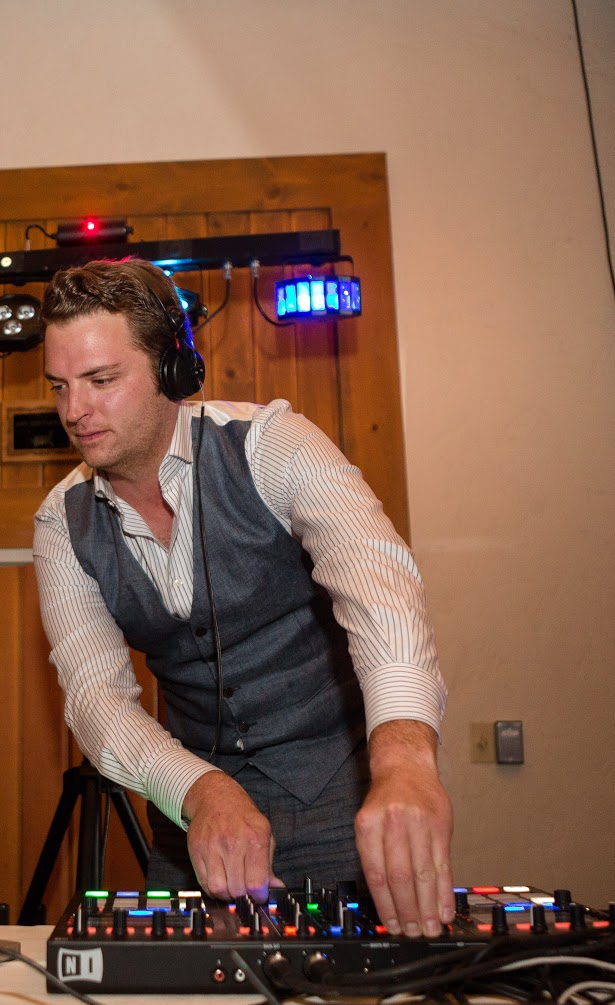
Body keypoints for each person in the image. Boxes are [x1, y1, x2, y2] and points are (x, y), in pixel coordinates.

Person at [32, 258, 455, 937]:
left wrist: (404, 761)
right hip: (196, 819)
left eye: (101, 380)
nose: (74, 411)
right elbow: (96, 700)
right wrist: (200, 790)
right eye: (60, 386)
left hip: (343, 800)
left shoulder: (273, 445)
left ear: (173, 369)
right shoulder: (61, 522)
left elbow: (383, 590)